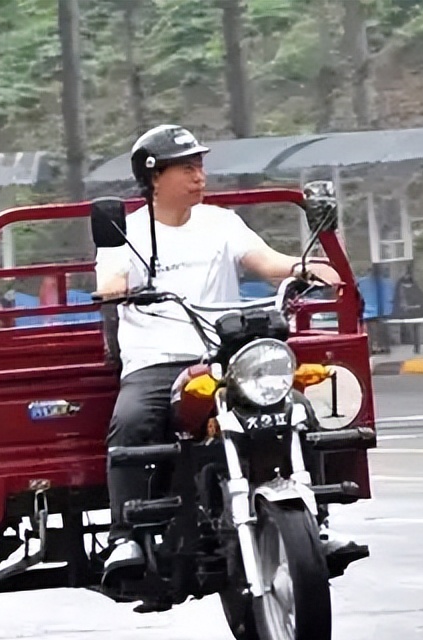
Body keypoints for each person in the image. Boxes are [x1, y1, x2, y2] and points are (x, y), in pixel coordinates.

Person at [94, 124, 342, 583]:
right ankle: (125, 534)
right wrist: (120, 288)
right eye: (186, 168)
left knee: (299, 410)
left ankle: (315, 521)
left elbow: (267, 262)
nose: (199, 176)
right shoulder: (124, 235)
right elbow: (108, 281)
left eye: (200, 166)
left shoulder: (221, 222)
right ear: (154, 177)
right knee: (130, 421)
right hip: (157, 361)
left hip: (222, 356)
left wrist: (303, 266)